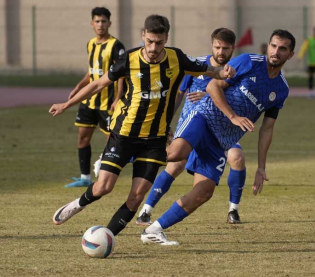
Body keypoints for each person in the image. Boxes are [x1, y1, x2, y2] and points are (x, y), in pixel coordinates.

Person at [49, 14, 235, 238]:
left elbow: (209, 69)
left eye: (159, 42)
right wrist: (67, 104)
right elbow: (98, 83)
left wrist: (225, 72)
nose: (154, 47)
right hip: (124, 134)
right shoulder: (129, 59)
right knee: (103, 187)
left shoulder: (177, 58)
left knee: (136, 197)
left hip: (155, 141)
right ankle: (78, 204)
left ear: (166, 38)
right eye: (150, 41)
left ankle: (105, 238)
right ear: (143, 36)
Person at [141, 29, 295, 245]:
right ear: (267, 46)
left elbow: (267, 129)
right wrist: (233, 116)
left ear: (291, 54)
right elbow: (213, 85)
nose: (276, 52)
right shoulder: (249, 61)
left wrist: (261, 167)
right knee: (176, 155)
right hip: (204, 116)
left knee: (204, 192)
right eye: (273, 46)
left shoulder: (281, 89)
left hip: (221, 140)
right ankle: (125, 154)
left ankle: (153, 230)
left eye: (282, 49)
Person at [136, 28, 246, 226]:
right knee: (175, 163)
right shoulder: (197, 66)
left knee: (237, 157)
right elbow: (177, 95)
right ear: (212, 45)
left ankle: (233, 210)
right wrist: (166, 122)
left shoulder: (235, 72)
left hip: (219, 132)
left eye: (226, 48)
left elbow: (235, 98)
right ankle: (146, 210)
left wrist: (208, 95)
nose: (221, 52)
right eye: (217, 47)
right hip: (191, 127)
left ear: (233, 48)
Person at [65, 7, 125, 188]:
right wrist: (78, 87)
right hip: (88, 102)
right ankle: (85, 177)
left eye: (104, 21)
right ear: (92, 24)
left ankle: (105, 175)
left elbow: (121, 74)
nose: (100, 24)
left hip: (108, 103)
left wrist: (118, 98)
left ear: (109, 23)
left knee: (111, 141)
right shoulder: (90, 44)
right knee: (82, 138)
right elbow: (92, 71)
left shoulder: (116, 46)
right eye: (97, 21)